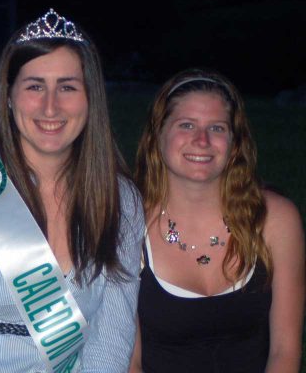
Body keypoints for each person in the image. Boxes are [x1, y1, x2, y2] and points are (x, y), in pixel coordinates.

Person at [0, 8, 144, 372]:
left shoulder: (121, 200)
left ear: (90, 98)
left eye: (67, 87)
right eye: (35, 86)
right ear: (9, 96)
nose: (50, 106)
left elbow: (112, 338)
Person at [130, 68, 305, 372]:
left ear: (235, 142)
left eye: (217, 128)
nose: (202, 140)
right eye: (186, 125)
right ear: (158, 135)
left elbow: (285, 351)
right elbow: (128, 361)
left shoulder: (275, 220)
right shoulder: (129, 224)